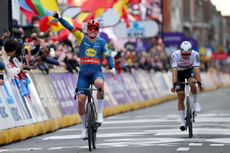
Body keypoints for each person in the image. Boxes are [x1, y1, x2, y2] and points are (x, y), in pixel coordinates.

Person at [52, 11, 116, 139]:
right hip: (83, 74)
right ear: (87, 30)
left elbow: (108, 55)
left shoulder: (102, 42)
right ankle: (83, 128)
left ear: (98, 30)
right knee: (81, 100)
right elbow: (70, 28)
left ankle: (100, 113)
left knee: (99, 84)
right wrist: (59, 18)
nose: (92, 31)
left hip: (96, 72)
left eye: (95, 29)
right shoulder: (81, 37)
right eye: (90, 29)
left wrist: (112, 67)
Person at [171, 41, 203, 131]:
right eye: (183, 54)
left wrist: (199, 82)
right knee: (180, 95)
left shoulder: (195, 54)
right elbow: (174, 71)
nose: (185, 57)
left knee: (192, 82)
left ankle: (196, 102)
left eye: (187, 54)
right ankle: (182, 122)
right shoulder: (175, 55)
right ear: (180, 51)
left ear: (191, 51)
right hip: (179, 73)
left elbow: (196, 70)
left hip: (190, 71)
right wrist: (174, 84)